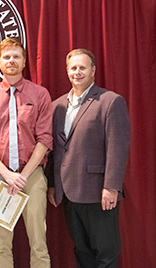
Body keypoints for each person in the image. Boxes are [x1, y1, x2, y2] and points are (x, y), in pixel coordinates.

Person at [46, 48, 131, 267]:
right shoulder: (56, 106)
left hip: (98, 192)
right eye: (73, 68)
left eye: (82, 67)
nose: (77, 72)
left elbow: (118, 147)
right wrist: (54, 185)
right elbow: (54, 149)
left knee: (105, 253)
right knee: (81, 250)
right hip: (68, 192)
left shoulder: (110, 102)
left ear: (93, 70)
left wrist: (111, 187)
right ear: (67, 71)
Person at [0, 37, 53, 268]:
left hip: (32, 175)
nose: (11, 61)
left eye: (16, 56)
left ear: (24, 61)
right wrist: (7, 174)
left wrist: (23, 176)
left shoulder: (40, 94)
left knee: (39, 243)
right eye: (6, 57)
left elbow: (45, 139)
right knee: (1, 245)